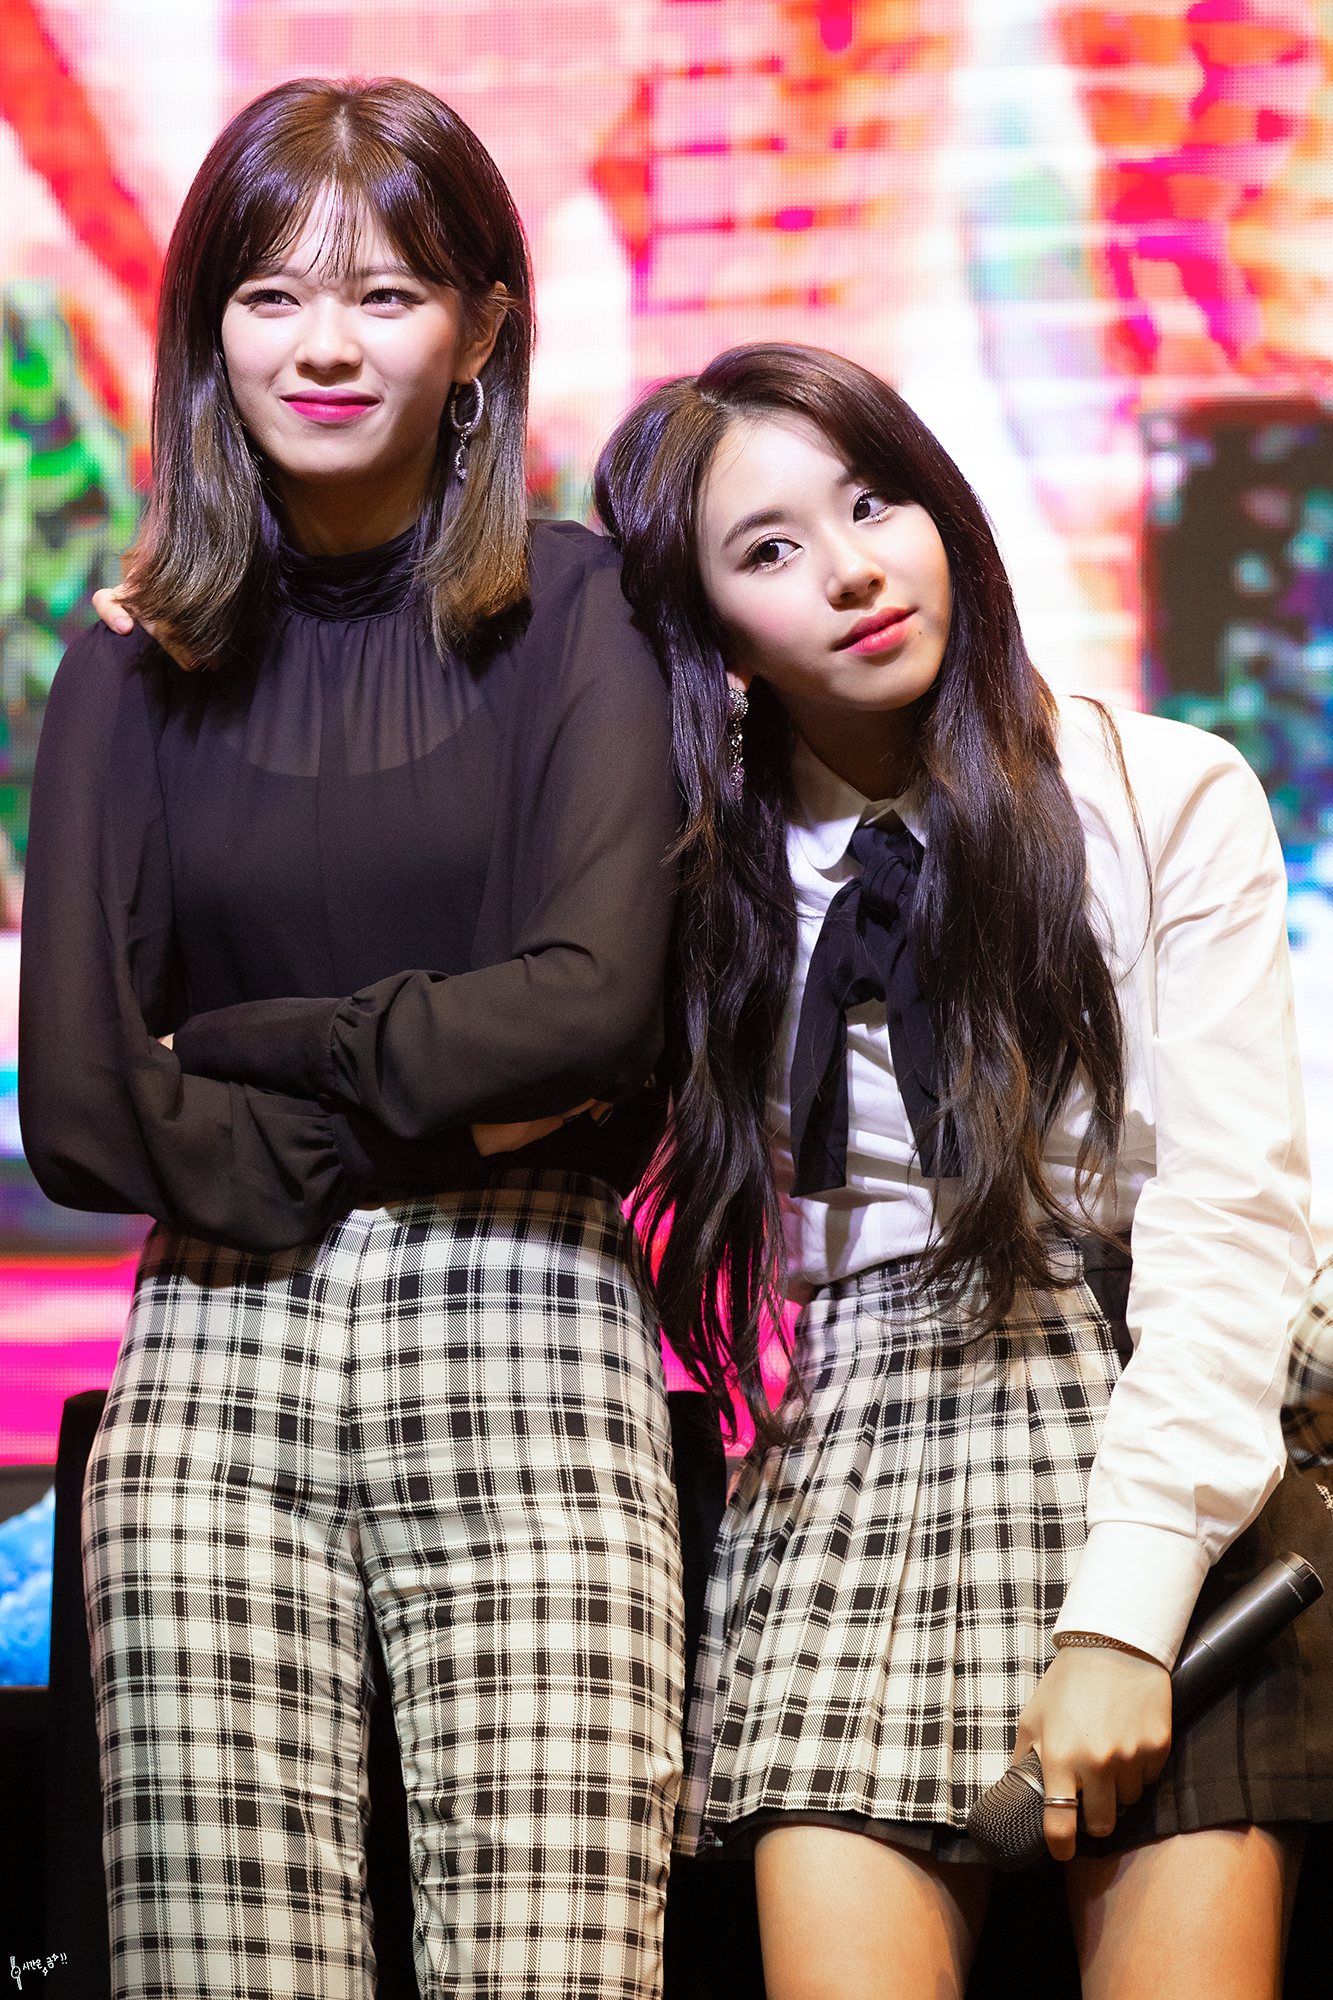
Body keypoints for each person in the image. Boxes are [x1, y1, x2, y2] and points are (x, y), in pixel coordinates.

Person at [23, 77, 691, 2000]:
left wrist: (251, 1045)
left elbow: (598, 1003)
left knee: (557, 1964)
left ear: (480, 330)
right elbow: (78, 1101)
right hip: (213, 1353)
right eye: (271, 295)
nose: (323, 344)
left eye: (386, 294)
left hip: (529, 1327)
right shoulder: (131, 660)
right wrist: (429, 1107)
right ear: (207, 330)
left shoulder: (581, 610)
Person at [591, 343, 1331, 2000]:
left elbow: (1229, 1219)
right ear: (708, 631)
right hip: (840, 1469)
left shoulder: (1158, 790)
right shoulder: (689, 881)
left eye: (874, 502)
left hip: (1150, 1429)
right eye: (768, 548)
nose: (851, 569)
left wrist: (1123, 1615)